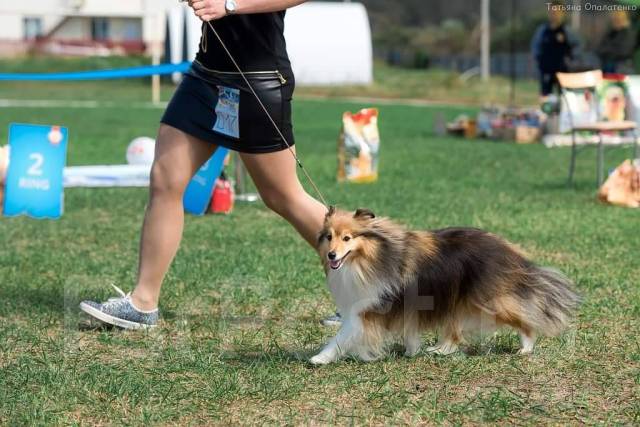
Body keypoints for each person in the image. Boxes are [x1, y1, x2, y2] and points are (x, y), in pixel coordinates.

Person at [79, 0, 329, 329]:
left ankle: (374, 291)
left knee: (283, 196)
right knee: (165, 180)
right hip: (205, 76)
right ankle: (142, 303)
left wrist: (230, 4)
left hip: (257, 78)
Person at [531, 2, 581, 96]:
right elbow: (535, 48)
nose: (555, 14)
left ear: (563, 13)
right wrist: (539, 62)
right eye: (553, 12)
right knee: (546, 97)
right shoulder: (542, 31)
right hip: (546, 70)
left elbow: (577, 47)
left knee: (565, 97)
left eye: (558, 12)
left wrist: (571, 62)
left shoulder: (568, 31)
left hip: (563, 71)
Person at [597, 10, 637, 75]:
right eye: (614, 19)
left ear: (623, 19)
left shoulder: (628, 33)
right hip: (608, 65)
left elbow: (624, 51)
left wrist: (608, 51)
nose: (615, 21)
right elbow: (600, 49)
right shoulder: (611, 33)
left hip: (623, 66)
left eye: (618, 19)